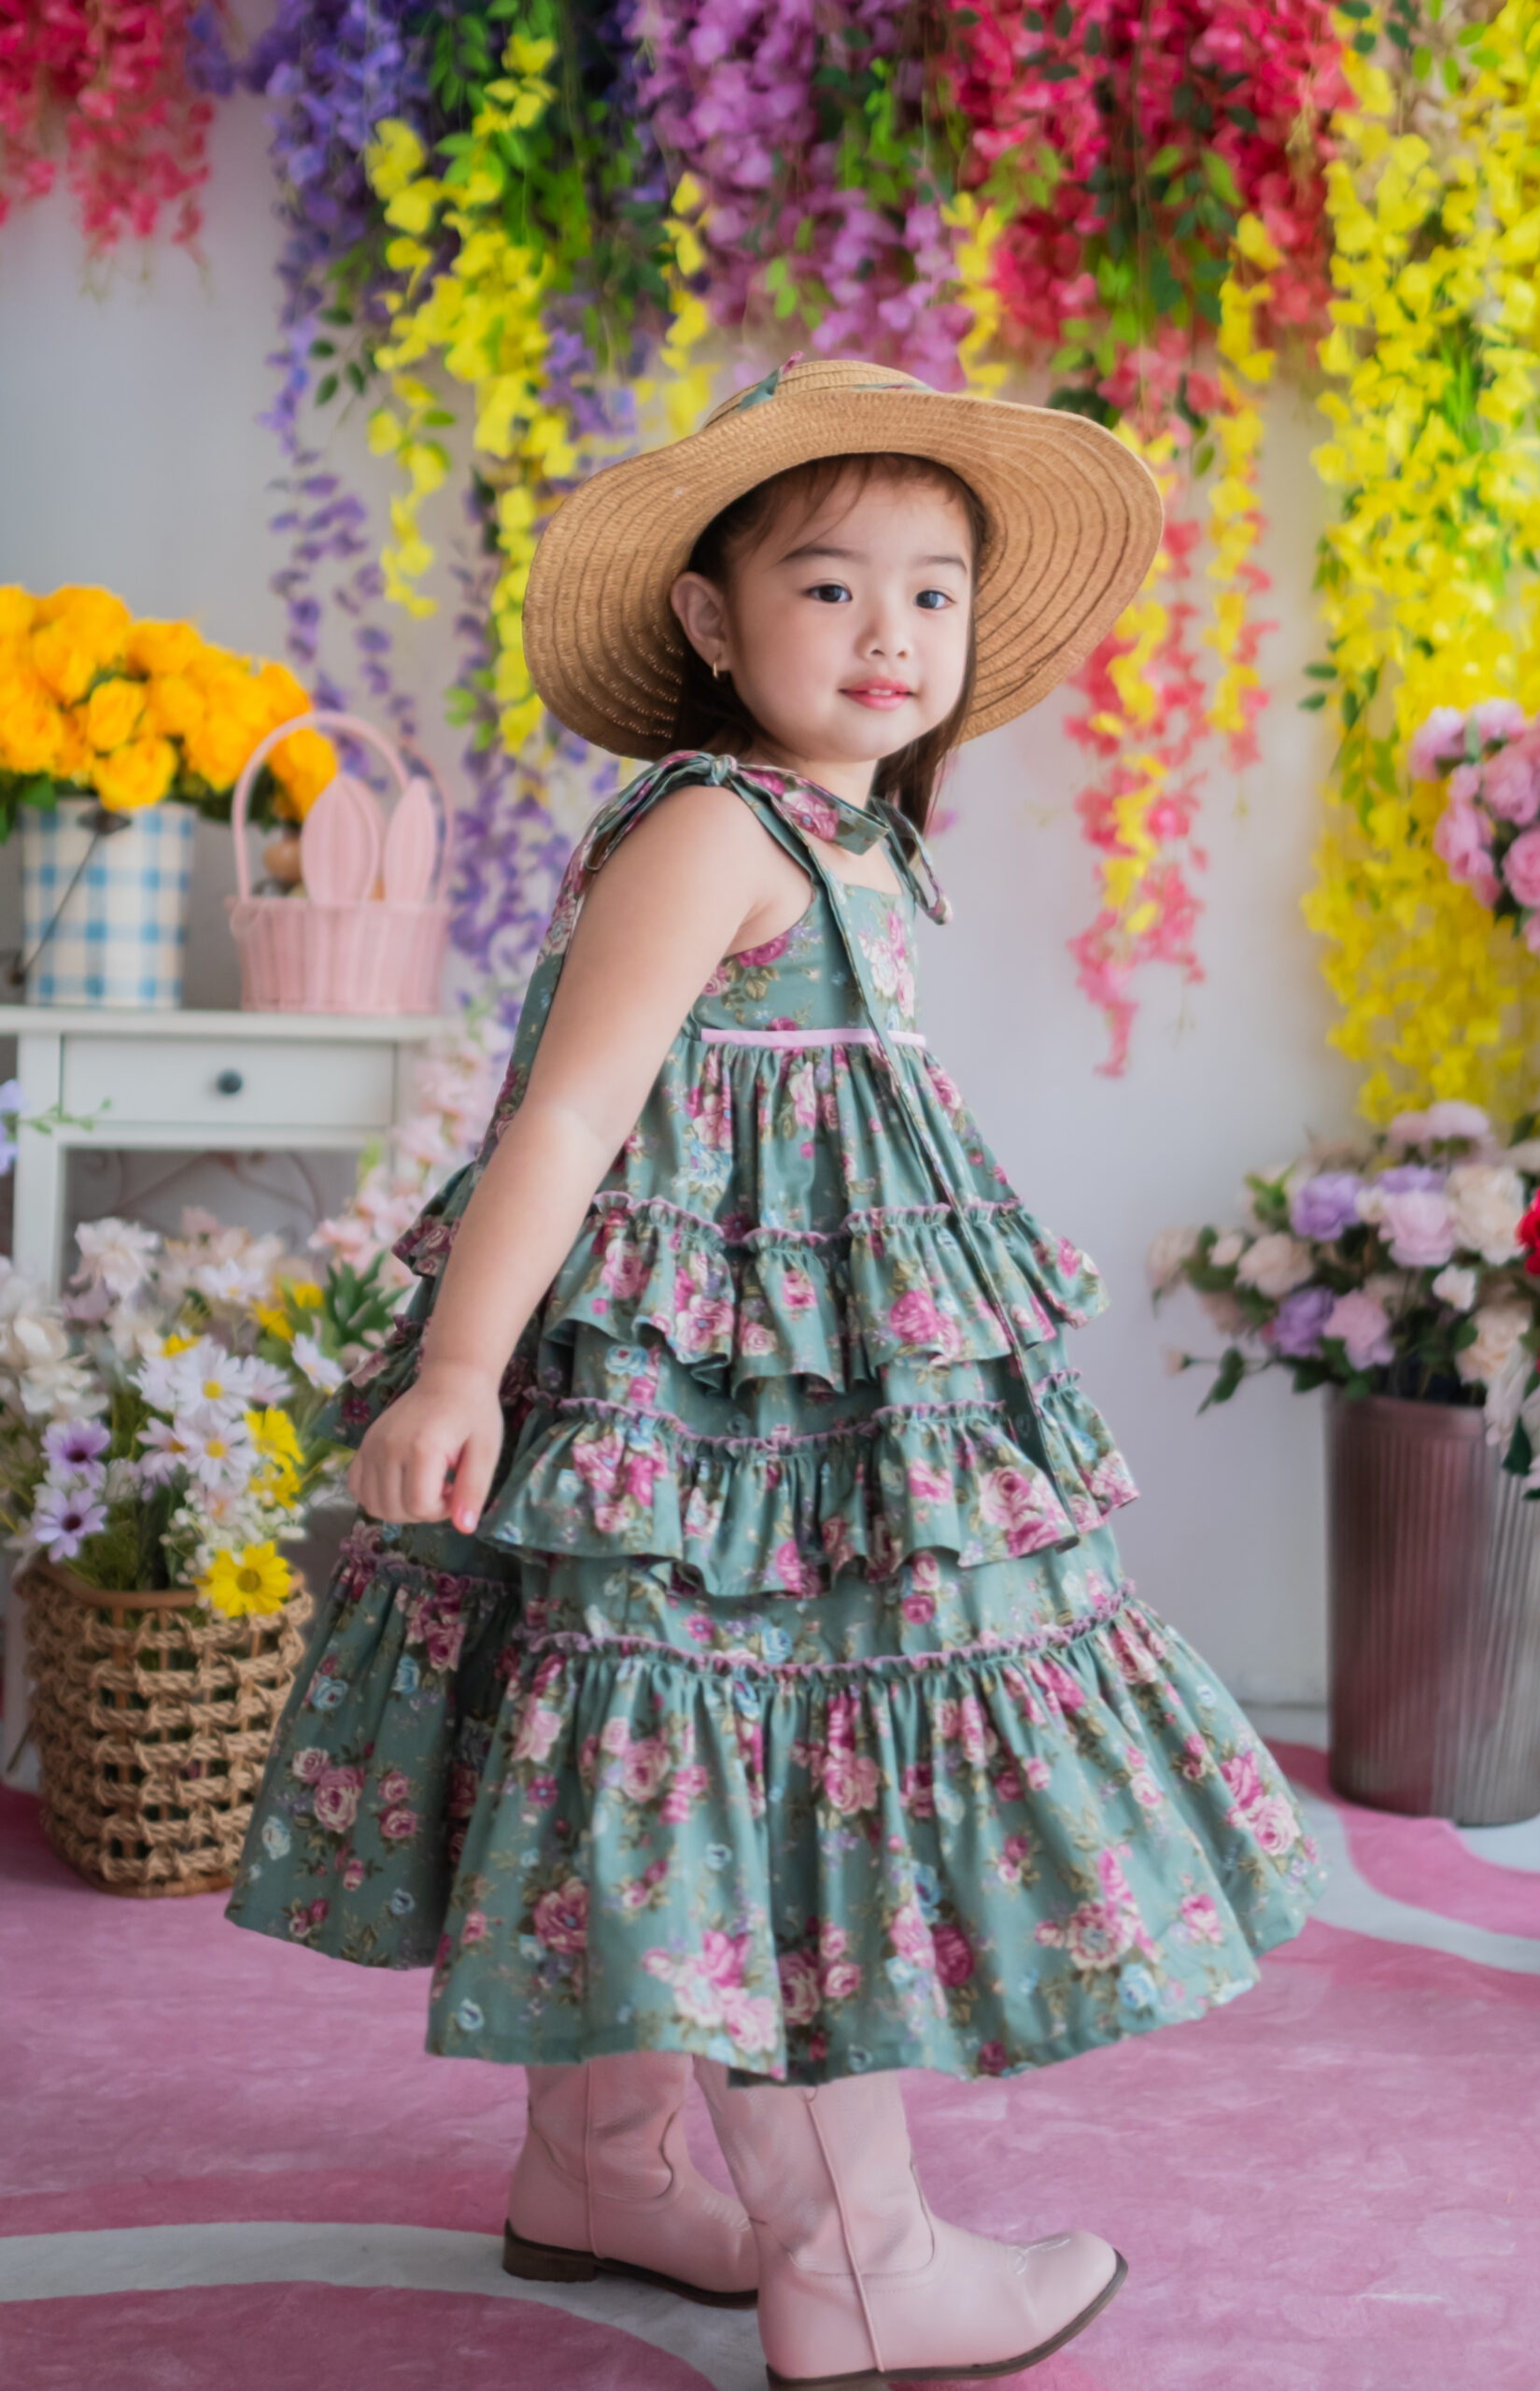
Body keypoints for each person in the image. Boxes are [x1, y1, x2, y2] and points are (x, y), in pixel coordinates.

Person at [228, 353, 1330, 2387]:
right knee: (765, 1755)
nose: (890, 629)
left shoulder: (854, 839)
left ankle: (604, 2162)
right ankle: (860, 2262)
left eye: (932, 590)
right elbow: (567, 1114)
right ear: (709, 618)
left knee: (659, 1738)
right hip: (712, 1411)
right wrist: (457, 1370)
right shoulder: (711, 829)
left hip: (786, 1372)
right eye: (829, 585)